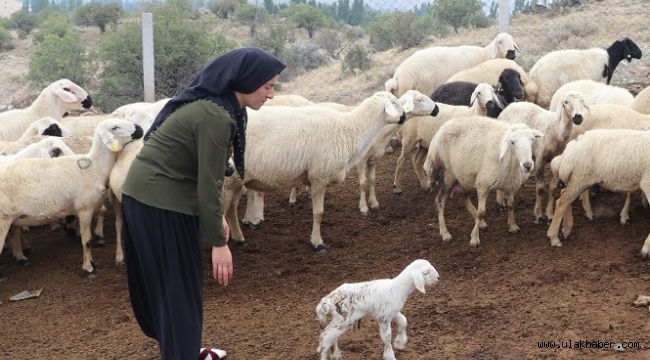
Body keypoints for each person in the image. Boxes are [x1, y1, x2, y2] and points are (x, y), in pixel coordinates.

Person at [121, 47, 286, 360]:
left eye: (273, 87)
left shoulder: (222, 107)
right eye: (267, 86)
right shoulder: (216, 117)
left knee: (170, 285)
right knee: (180, 288)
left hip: (148, 197)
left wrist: (214, 220)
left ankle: (178, 350)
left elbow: (203, 175)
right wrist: (218, 242)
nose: (272, 94)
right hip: (159, 203)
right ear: (246, 81)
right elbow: (211, 183)